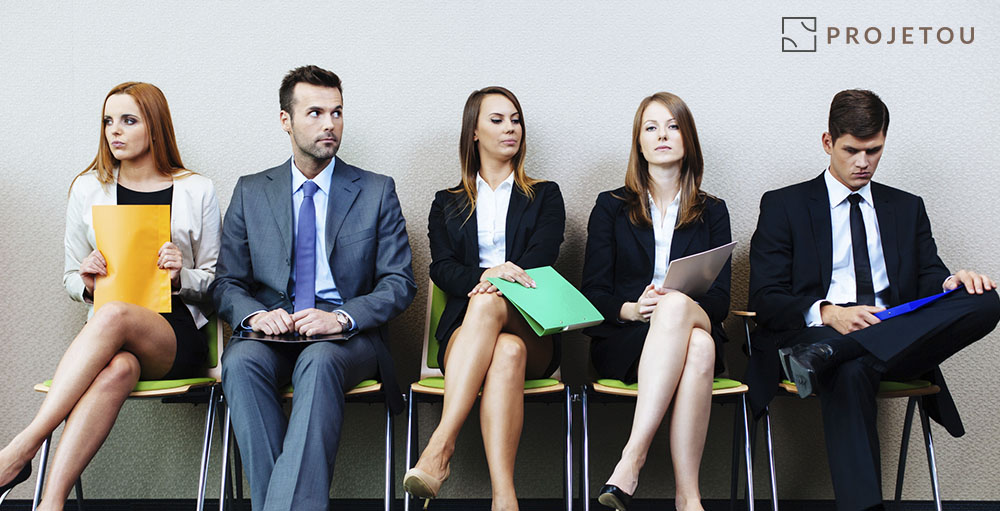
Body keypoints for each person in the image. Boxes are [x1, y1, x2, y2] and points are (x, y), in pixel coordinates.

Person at [746, 89, 1000, 511]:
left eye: (874, 150)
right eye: (851, 150)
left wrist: (954, 281)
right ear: (828, 143)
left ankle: (828, 353)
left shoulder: (906, 207)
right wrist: (829, 314)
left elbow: (929, 278)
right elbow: (766, 298)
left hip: (892, 337)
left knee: (987, 299)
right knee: (851, 369)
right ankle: (835, 351)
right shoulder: (784, 206)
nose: (863, 162)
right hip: (818, 330)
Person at [0, 82, 221, 510]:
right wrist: (86, 281)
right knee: (118, 367)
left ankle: (22, 447)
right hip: (111, 337)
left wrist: (181, 277)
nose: (113, 131)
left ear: (154, 128)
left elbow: (216, 283)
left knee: (116, 313)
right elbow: (69, 279)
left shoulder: (197, 190)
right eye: (107, 121)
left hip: (175, 334)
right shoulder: (88, 188)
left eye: (128, 120)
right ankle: (51, 503)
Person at [211, 65, 415, 511]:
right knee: (241, 361)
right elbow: (225, 281)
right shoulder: (251, 191)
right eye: (316, 113)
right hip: (273, 329)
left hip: (347, 337)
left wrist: (340, 317)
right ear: (286, 120)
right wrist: (254, 315)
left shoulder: (376, 191)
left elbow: (400, 283)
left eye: (337, 112)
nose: (330, 124)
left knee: (320, 361)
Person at [403, 86, 565, 510]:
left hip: (532, 326)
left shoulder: (545, 195)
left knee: (494, 309)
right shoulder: (447, 203)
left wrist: (496, 283)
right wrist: (484, 274)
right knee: (505, 351)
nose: (510, 127)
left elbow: (540, 260)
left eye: (515, 119)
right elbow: (442, 269)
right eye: (497, 120)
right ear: (473, 131)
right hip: (467, 332)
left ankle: (441, 444)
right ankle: (504, 498)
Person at [581, 92, 731, 511]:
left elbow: (720, 302)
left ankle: (632, 458)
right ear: (639, 143)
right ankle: (688, 497)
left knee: (679, 306)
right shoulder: (610, 207)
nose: (662, 135)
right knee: (700, 346)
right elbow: (593, 295)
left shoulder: (713, 211)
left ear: (689, 139)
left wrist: (674, 304)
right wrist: (630, 309)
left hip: (694, 319)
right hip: (629, 339)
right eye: (651, 127)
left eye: (673, 126)